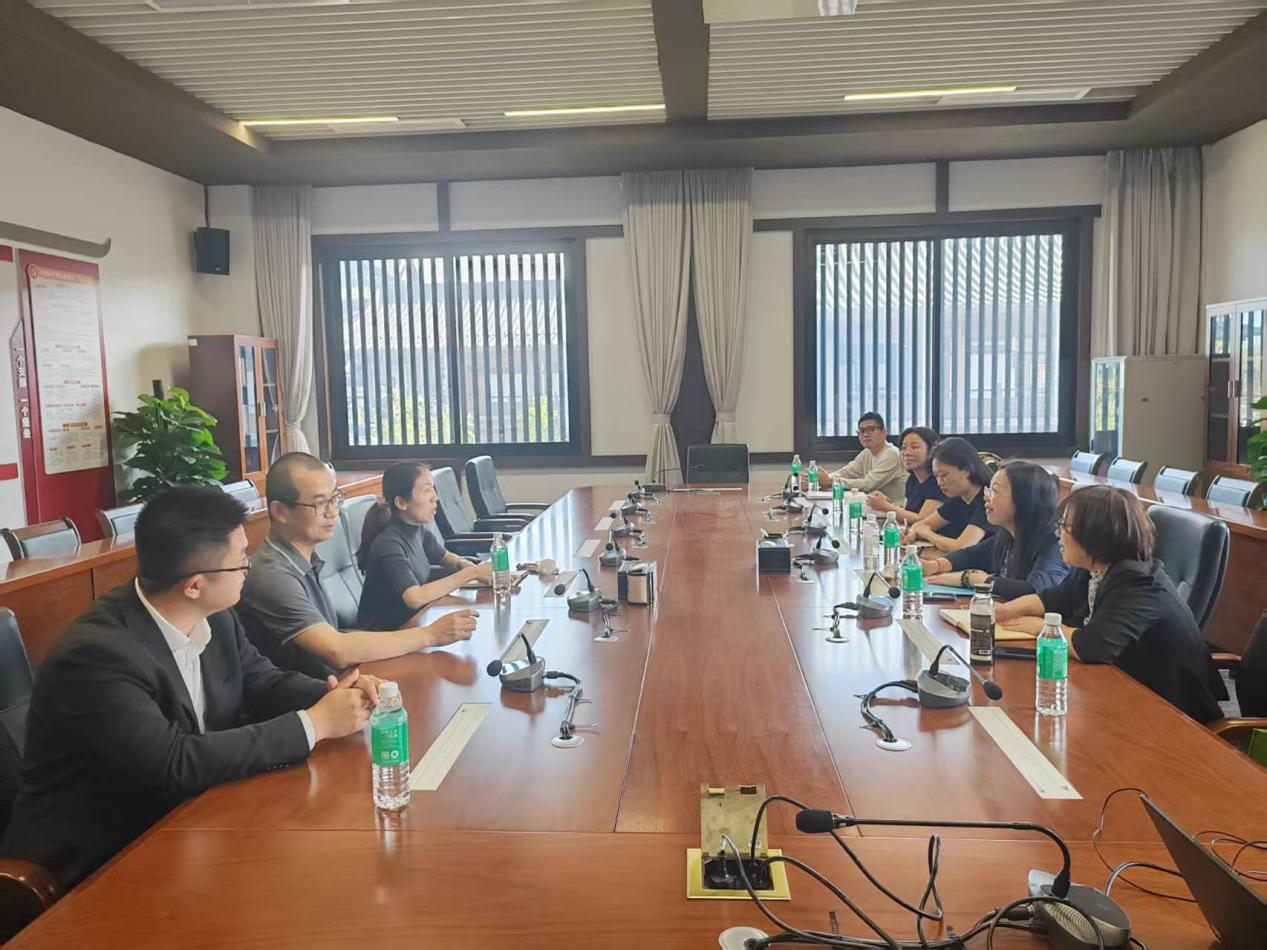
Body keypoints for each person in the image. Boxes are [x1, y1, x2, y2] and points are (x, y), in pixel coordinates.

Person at [1, 488, 381, 888]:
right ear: (195, 585)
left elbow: (260, 680)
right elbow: (174, 763)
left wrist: (331, 695)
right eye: (241, 561)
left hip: (191, 824)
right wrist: (315, 724)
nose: (249, 567)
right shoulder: (97, 655)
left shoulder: (214, 614)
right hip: (95, 863)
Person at [237, 452, 477, 679]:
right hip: (310, 697)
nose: (333, 511)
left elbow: (336, 638)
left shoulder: (303, 559)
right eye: (320, 504)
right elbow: (337, 650)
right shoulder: (274, 575)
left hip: (336, 682)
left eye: (334, 499)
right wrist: (430, 634)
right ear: (280, 511)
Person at [995, 485, 1222, 723]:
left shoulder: (1139, 584)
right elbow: (1055, 599)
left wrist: (1040, 627)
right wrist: (1006, 610)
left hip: (1173, 713)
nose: (1057, 534)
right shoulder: (1096, 567)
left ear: (1094, 534)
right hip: (1125, 689)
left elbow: (1092, 646)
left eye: (1064, 527)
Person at [358, 462, 493, 631]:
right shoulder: (388, 544)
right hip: (386, 637)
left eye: (433, 489)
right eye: (427, 490)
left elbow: (449, 559)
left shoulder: (418, 530)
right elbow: (414, 598)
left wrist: (476, 570)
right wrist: (470, 574)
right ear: (401, 503)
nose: (435, 497)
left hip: (416, 625)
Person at [921, 460, 1069, 599]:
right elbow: (970, 555)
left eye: (994, 491)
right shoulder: (1008, 534)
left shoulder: (1054, 542)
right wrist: (935, 566)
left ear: (1023, 498)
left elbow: (1034, 590)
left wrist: (971, 578)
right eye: (989, 490)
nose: (986, 497)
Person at [903, 436, 994, 552]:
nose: (939, 482)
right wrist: (911, 534)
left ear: (967, 470)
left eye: (944, 475)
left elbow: (961, 546)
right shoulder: (959, 498)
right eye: (936, 476)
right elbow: (921, 524)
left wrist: (929, 535)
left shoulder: (988, 500)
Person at [868, 426, 945, 520]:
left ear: (931, 450)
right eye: (904, 448)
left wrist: (885, 507)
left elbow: (923, 520)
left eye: (914, 447)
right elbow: (908, 512)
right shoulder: (913, 479)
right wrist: (887, 503)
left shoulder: (939, 482)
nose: (907, 453)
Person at [827, 411, 905, 504]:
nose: (865, 434)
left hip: (894, 510)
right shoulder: (867, 452)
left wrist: (832, 481)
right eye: (861, 431)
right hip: (875, 507)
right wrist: (826, 477)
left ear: (884, 432)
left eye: (870, 429)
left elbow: (868, 484)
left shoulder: (891, 454)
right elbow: (847, 471)